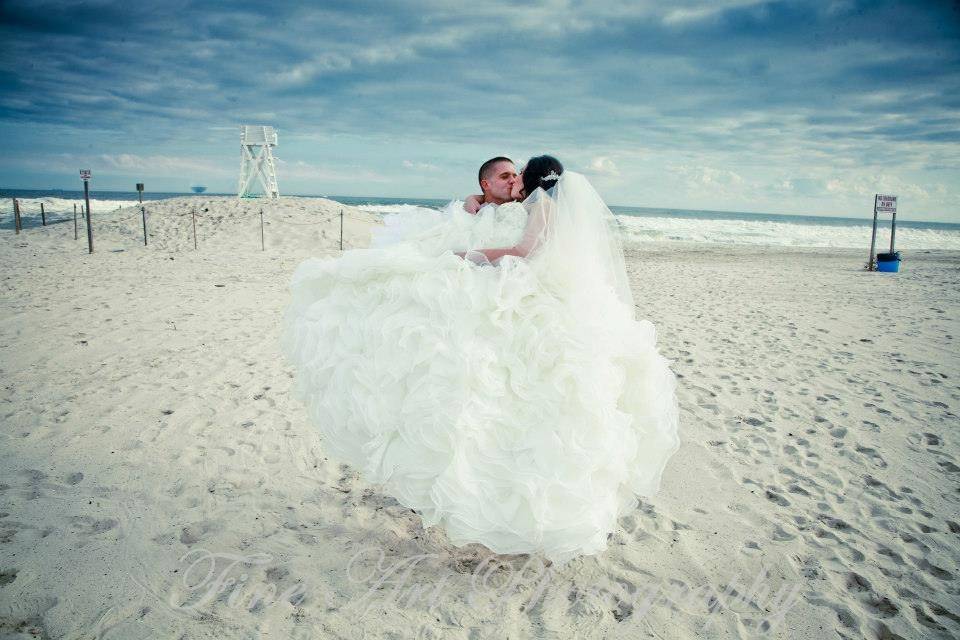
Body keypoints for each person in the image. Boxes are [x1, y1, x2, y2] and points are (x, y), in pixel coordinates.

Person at [280, 155, 680, 567]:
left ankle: (525, 510)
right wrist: (476, 201)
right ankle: (483, 499)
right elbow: (491, 208)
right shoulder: (504, 204)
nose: (514, 180)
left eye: (518, 174)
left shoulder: (540, 205)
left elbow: (525, 250)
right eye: (506, 175)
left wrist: (465, 255)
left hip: (529, 302)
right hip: (503, 300)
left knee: (531, 408)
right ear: (489, 184)